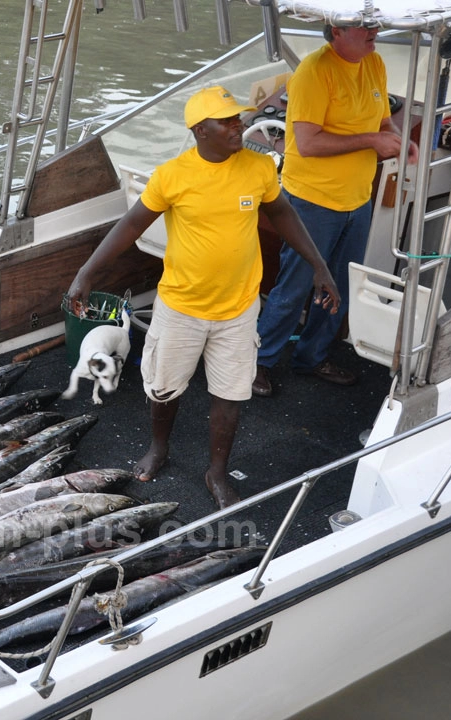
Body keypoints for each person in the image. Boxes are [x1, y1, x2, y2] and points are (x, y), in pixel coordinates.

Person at [67, 86, 340, 509]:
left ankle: (217, 471)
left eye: (239, 118)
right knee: (163, 389)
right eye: (227, 121)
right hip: (181, 308)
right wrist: (86, 273)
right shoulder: (173, 175)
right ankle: (160, 448)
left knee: (230, 394)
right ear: (200, 130)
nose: (239, 126)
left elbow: (282, 213)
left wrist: (319, 266)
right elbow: (130, 226)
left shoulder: (260, 167)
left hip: (239, 309)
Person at [252, 22, 418, 397]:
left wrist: (395, 138)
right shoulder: (314, 71)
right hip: (312, 201)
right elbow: (308, 144)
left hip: (357, 200)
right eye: (363, 25)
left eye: (374, 22)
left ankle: (311, 357)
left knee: (339, 285)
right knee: (294, 287)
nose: (374, 29)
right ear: (336, 30)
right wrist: (373, 140)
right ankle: (255, 364)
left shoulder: (372, 62)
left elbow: (382, 120)